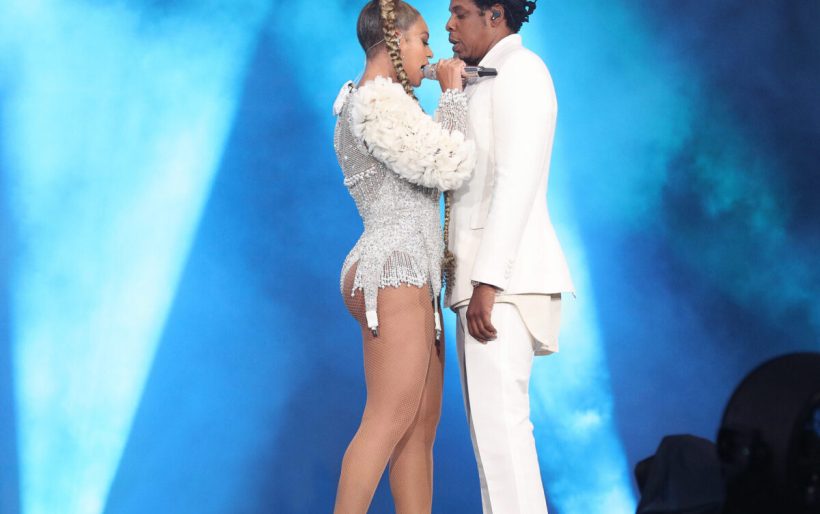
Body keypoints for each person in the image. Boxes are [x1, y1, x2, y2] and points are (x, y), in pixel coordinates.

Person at [332, 1, 475, 512]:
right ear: (395, 40)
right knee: (388, 420)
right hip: (393, 268)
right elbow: (447, 164)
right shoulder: (375, 103)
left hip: (415, 273)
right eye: (423, 40)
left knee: (418, 430)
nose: (432, 52)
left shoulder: (387, 101)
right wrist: (454, 96)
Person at [443, 1, 575, 513]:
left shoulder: (524, 71)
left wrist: (487, 281)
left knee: (504, 439)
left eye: (459, 13)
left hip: (502, 285)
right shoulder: (481, 81)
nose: (448, 26)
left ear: (495, 14)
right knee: (491, 444)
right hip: (480, 283)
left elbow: (515, 181)